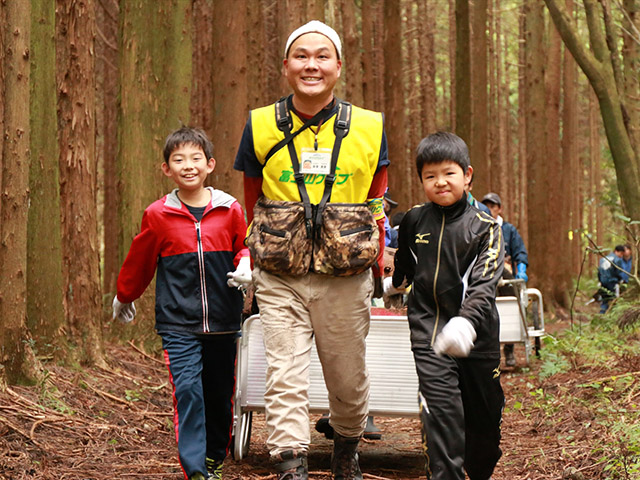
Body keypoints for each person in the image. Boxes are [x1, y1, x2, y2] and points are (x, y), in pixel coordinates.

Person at [233, 21, 388, 480]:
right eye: (301, 56)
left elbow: (377, 201)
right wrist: (254, 253)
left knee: (347, 376)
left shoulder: (369, 126)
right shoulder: (261, 123)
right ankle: (290, 463)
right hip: (281, 273)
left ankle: (347, 444)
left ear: (338, 65)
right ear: (286, 66)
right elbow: (253, 197)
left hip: (346, 273)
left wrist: (379, 260)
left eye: (322, 56)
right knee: (284, 370)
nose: (311, 65)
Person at [112, 127, 251, 480]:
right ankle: (195, 469)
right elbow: (140, 259)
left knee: (218, 394)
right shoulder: (158, 215)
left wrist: (246, 263)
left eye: (195, 158)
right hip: (178, 323)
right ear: (167, 169)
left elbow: (245, 246)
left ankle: (214, 458)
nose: (188, 166)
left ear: (209, 164)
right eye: (178, 160)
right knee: (188, 390)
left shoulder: (230, 209)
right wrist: (125, 294)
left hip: (223, 320)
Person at [385, 132, 505, 480]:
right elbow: (406, 261)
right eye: (430, 176)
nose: (440, 182)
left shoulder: (486, 228)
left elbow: (484, 284)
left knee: (483, 431)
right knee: (441, 415)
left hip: (477, 339)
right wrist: (393, 284)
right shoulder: (413, 220)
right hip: (429, 333)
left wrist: (466, 322)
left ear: (467, 175)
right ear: (421, 179)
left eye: (449, 173)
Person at [481, 192, 528, 367]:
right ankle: (489, 351)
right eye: (487, 206)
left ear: (499, 209)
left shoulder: (509, 230)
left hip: (506, 275)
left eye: (493, 206)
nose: (490, 210)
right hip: (485, 275)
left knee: (512, 308)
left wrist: (521, 269)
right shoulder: (479, 227)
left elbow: (520, 252)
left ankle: (509, 349)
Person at [597, 245, 626, 313]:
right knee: (614, 300)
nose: (621, 256)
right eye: (621, 253)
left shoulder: (603, 259)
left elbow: (599, 272)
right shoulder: (617, 260)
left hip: (603, 282)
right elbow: (618, 272)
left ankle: (602, 314)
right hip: (612, 282)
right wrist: (621, 280)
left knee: (604, 300)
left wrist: (600, 280)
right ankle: (613, 315)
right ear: (616, 251)